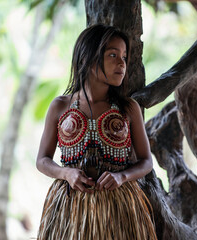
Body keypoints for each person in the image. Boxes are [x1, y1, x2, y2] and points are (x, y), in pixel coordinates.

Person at [36, 24, 157, 240]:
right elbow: (42, 160)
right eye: (113, 55)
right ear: (87, 58)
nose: (122, 63)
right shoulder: (60, 106)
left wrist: (122, 177)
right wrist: (66, 173)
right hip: (70, 209)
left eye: (124, 57)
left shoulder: (128, 108)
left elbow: (146, 161)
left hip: (119, 209)